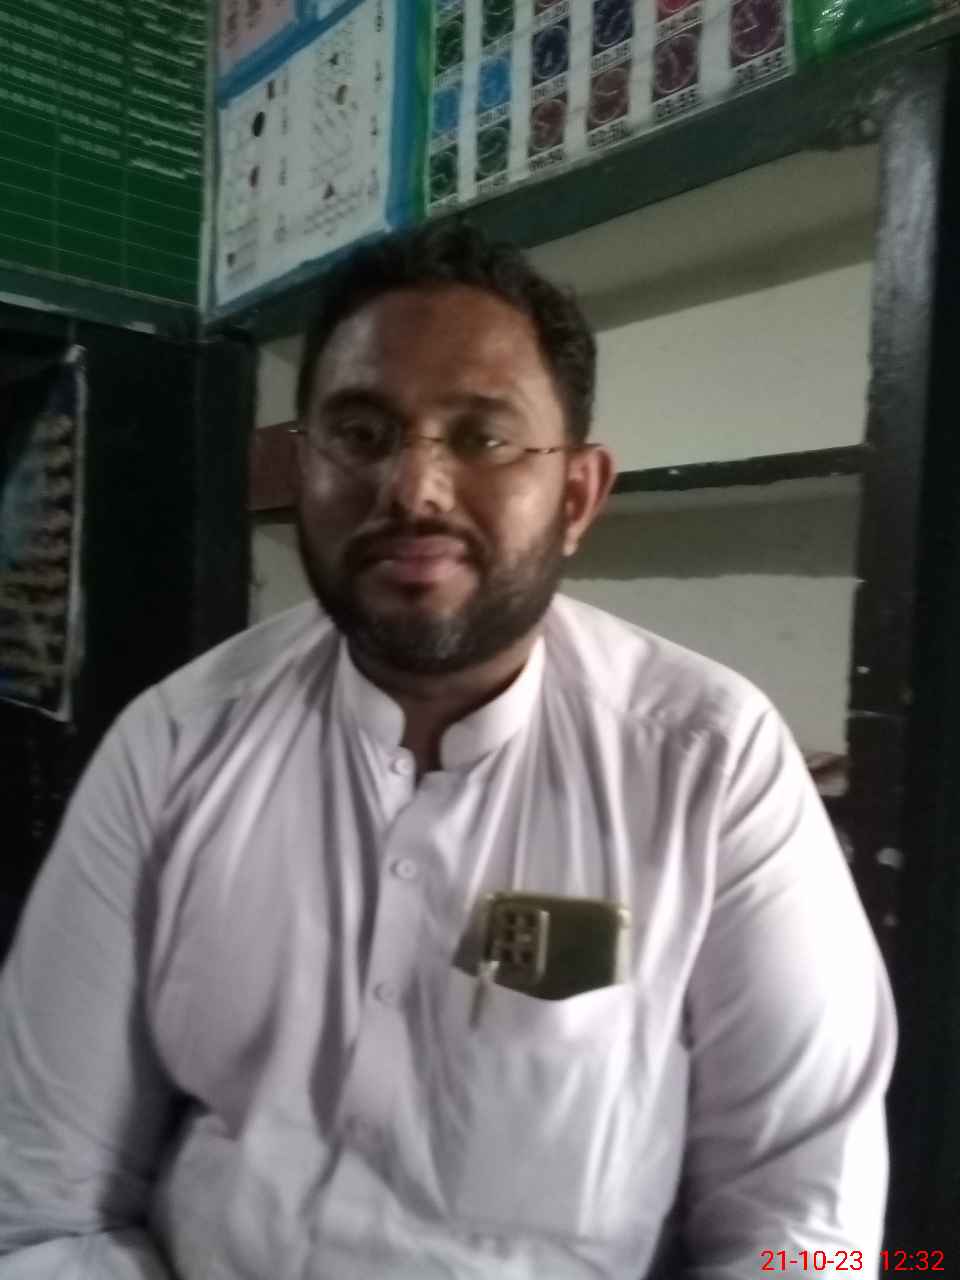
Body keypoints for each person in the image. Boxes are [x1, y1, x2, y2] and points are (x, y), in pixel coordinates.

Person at [0, 222, 895, 1279]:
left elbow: (808, 1236)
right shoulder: (174, 744)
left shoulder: (710, 764)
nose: (414, 489)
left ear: (576, 496)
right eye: (361, 432)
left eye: (482, 436)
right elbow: (40, 1198)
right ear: (306, 469)